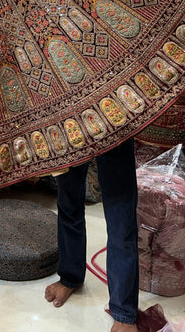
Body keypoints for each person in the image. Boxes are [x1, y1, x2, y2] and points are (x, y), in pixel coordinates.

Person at [45, 138, 138, 332]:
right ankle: (70, 277)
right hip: (68, 119)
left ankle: (124, 313)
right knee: (68, 204)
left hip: (114, 118)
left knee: (121, 220)